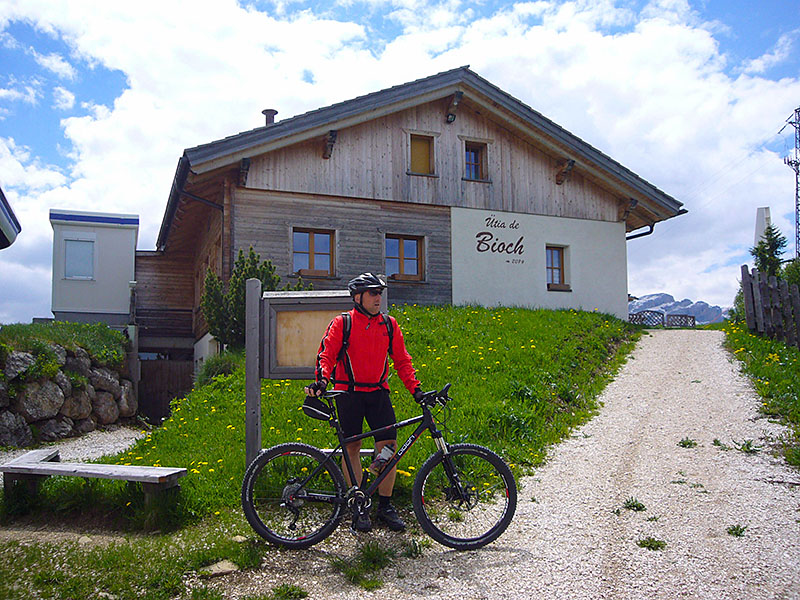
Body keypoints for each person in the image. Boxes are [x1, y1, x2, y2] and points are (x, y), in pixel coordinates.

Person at [305, 272, 422, 532]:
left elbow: (402, 361)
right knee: (352, 447)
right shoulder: (343, 323)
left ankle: (385, 506)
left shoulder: (389, 325)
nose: (378, 297)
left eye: (380, 292)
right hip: (348, 394)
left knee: (389, 447)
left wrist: (416, 390)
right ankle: (358, 504)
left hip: (378, 393)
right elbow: (327, 355)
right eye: (373, 293)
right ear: (358, 297)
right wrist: (323, 381)